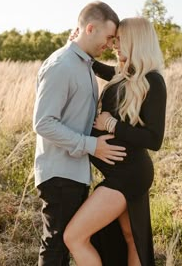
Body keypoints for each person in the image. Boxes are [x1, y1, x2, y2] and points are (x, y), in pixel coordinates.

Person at [63, 17, 167, 266]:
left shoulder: (153, 81)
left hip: (129, 174)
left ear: (135, 42)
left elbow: (154, 139)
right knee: (131, 238)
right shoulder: (124, 76)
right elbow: (102, 69)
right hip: (121, 172)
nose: (114, 45)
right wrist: (78, 47)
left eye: (119, 40)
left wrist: (111, 124)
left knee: (74, 237)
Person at [32, 1, 127, 266]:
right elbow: (43, 123)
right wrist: (91, 145)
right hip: (60, 172)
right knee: (55, 245)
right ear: (89, 28)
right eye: (108, 38)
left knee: (63, 244)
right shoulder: (62, 65)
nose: (109, 45)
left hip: (73, 171)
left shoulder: (83, 64)